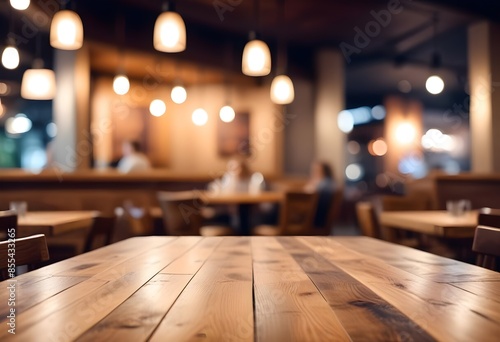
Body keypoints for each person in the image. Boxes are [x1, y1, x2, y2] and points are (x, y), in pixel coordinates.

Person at [304, 161, 336, 228]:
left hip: (316, 217)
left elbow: (309, 192)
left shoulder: (324, 183)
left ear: (324, 171)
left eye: (316, 170)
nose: (313, 172)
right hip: (317, 215)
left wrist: (312, 185)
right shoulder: (328, 182)